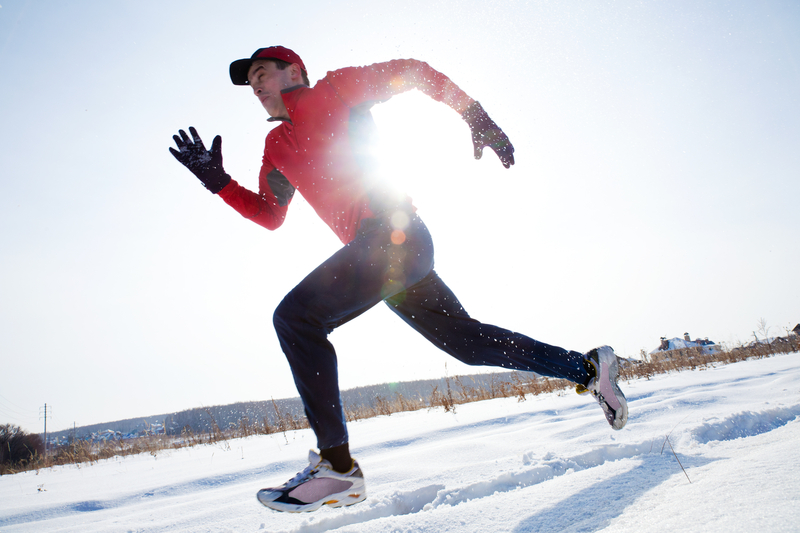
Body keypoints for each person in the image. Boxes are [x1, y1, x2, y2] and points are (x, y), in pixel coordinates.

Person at [169, 46, 628, 513]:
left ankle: (337, 468)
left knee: (296, 319)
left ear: (295, 71)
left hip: (395, 236)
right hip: (384, 258)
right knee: (466, 345)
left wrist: (475, 114)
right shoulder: (275, 148)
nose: (258, 87)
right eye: (251, 84)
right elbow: (270, 215)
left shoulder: (334, 89)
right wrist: (218, 182)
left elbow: (412, 72)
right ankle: (589, 369)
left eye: (263, 74)